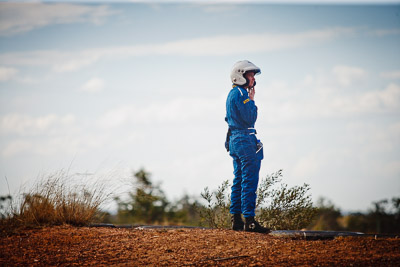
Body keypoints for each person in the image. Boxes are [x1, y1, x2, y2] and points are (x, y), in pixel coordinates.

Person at [225, 60, 270, 233]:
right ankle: (249, 222)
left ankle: (236, 220)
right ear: (240, 76)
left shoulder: (232, 93)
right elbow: (249, 118)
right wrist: (252, 101)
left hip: (235, 140)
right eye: (249, 75)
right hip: (244, 139)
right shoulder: (241, 95)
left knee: (239, 180)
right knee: (249, 180)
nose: (252, 78)